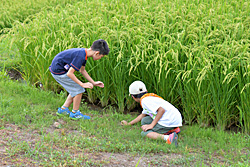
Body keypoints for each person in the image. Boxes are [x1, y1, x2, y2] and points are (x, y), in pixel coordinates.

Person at [49, 39, 110, 120]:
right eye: (101, 57)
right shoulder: (80, 56)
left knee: (75, 88)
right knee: (79, 89)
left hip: (58, 69)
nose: (100, 58)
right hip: (58, 71)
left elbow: (82, 70)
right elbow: (69, 73)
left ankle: (63, 109)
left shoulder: (84, 53)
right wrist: (82, 84)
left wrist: (93, 82)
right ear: (97, 53)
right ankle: (75, 113)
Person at [121, 81, 182, 145]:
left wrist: (151, 125)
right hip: (174, 119)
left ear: (133, 96)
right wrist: (128, 124)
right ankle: (172, 129)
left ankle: (168, 138)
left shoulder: (145, 101)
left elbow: (161, 110)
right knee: (144, 120)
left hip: (168, 121)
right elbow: (142, 115)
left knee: (144, 133)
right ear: (146, 91)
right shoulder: (148, 97)